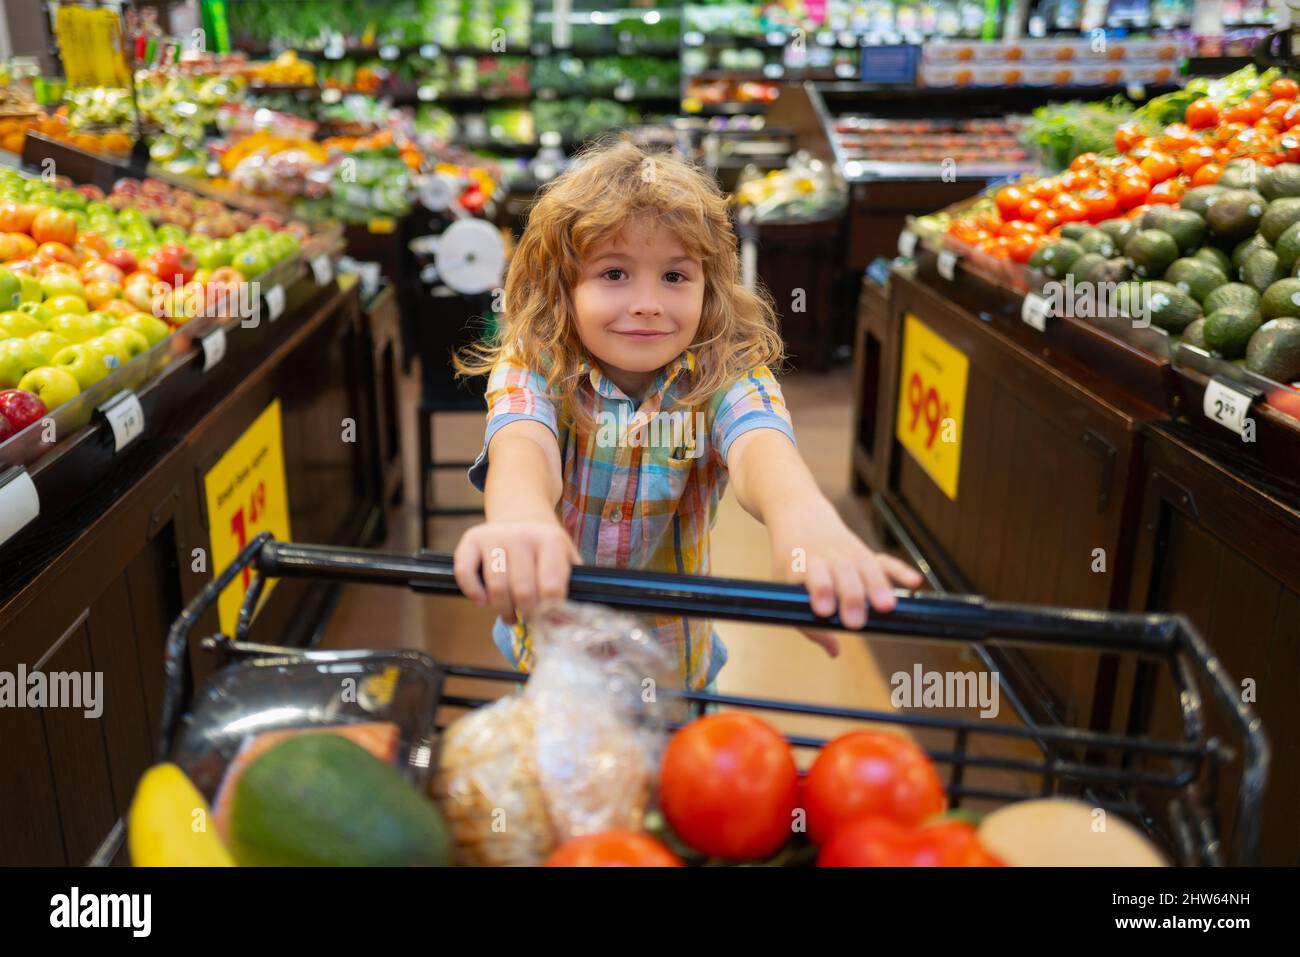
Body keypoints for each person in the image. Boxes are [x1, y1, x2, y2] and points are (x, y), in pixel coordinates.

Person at [452, 138, 922, 690]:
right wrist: (520, 518)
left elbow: (760, 444)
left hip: (676, 667)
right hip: (555, 665)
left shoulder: (724, 372)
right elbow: (523, 440)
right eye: (614, 274)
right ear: (562, 287)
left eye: (675, 277)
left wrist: (804, 519)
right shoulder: (537, 362)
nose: (648, 301)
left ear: (710, 288)